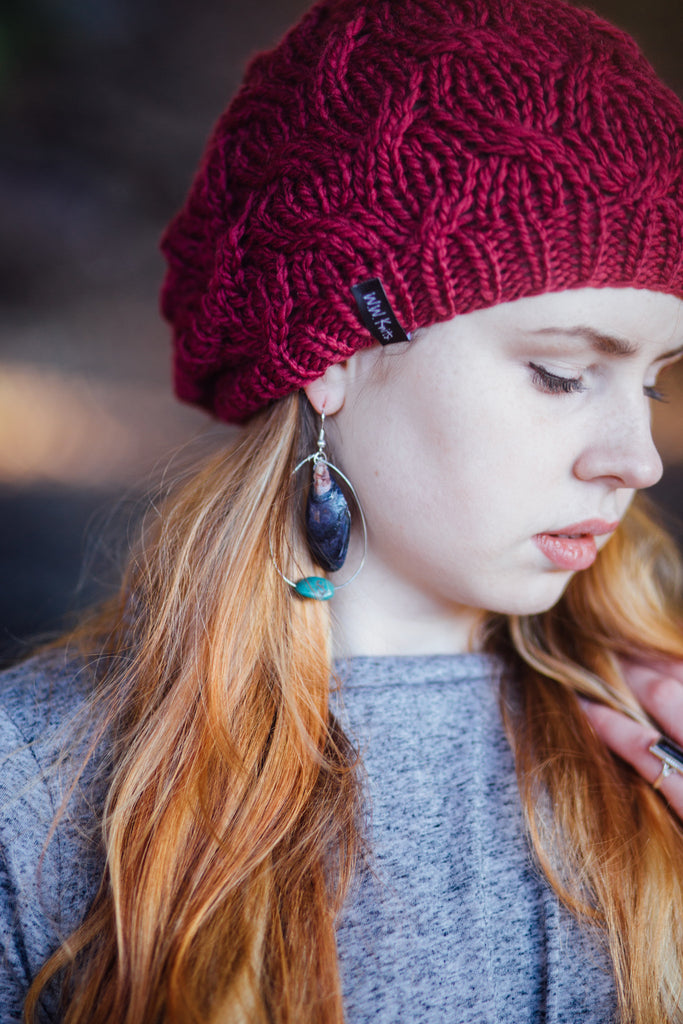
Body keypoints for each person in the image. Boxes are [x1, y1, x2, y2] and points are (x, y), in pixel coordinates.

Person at [2, 0, 683, 1021]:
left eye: (654, 383)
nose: (632, 459)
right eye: (558, 373)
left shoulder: (650, 744)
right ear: (333, 354)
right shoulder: (38, 789)